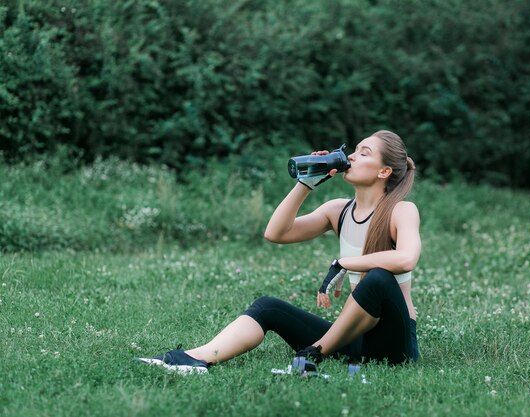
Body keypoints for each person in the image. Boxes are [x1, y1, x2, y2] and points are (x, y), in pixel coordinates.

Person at [134, 130, 421, 373]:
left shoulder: (401, 211)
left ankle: (313, 354)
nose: (353, 157)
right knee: (268, 306)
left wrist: (345, 261)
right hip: (355, 340)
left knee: (378, 277)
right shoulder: (339, 210)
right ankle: (197, 359)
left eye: (364, 153)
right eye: (354, 151)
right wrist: (305, 184)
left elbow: (407, 257)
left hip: (394, 346)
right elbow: (277, 233)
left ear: (384, 171)